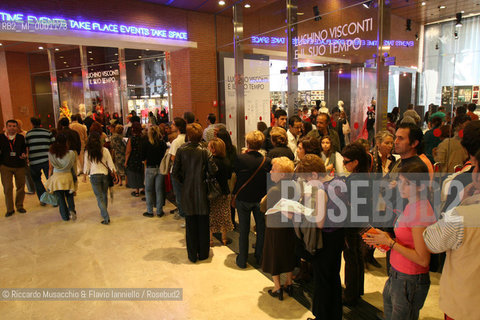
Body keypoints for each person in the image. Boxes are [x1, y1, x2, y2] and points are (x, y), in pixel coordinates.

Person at [364, 163, 436, 320]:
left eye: (407, 183)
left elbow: (423, 259)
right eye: (401, 181)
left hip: (409, 278)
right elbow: (407, 237)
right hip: (398, 274)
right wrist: (385, 238)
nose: (401, 186)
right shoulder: (412, 205)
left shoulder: (420, 212)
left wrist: (391, 243)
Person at [423, 149, 480, 320]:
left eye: (475, 167)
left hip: (465, 305)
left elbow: (431, 241)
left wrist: (460, 204)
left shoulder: (463, 216)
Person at [172, 123, 217, 262]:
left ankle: (192, 255)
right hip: (203, 191)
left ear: (188, 135)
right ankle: (203, 253)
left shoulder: (181, 150)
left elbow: (175, 172)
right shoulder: (205, 151)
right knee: (203, 224)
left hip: (187, 191)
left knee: (190, 225)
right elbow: (213, 170)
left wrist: (184, 182)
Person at [233, 130, 272, 268]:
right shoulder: (267, 161)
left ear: (247, 143)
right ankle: (260, 258)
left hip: (243, 198)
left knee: (243, 230)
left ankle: (242, 260)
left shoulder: (240, 158)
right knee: (261, 229)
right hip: (260, 199)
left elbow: (236, 173)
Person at [261, 157, 297, 301]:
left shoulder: (275, 189)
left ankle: (277, 287)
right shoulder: (293, 186)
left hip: (274, 227)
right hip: (289, 227)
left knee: (274, 256)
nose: (270, 171)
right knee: (288, 253)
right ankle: (289, 282)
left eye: (274, 169)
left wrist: (264, 200)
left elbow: (263, 207)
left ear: (282, 174)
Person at [341, 142, 371, 306]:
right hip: (360, 222)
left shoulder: (355, 179)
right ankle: (357, 290)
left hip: (352, 223)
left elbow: (350, 203)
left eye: (346, 162)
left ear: (356, 162)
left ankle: (351, 294)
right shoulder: (365, 174)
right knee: (357, 256)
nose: (344, 165)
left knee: (351, 258)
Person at [83, 132, 116, 225]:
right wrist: (114, 172)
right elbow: (110, 163)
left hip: (94, 175)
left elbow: (87, 165)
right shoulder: (105, 150)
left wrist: (84, 176)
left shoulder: (88, 152)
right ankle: (104, 211)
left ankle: (105, 216)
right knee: (104, 194)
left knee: (99, 197)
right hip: (104, 175)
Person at [207, 138, 234, 245]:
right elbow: (228, 176)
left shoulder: (211, 161)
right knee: (224, 215)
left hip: (212, 192)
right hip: (224, 191)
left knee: (211, 216)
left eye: (209, 147)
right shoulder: (227, 161)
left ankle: (210, 240)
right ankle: (224, 238)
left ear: (213, 149)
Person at [47, 133, 77, 221]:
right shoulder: (71, 153)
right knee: (69, 196)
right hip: (68, 176)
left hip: (57, 177)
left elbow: (50, 167)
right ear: (66, 142)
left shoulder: (51, 153)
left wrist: (49, 178)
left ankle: (64, 216)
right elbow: (72, 166)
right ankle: (72, 210)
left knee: (60, 198)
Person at [25, 117, 55, 206]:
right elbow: (53, 145)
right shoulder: (47, 132)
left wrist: (27, 158)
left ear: (32, 123)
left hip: (34, 161)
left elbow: (26, 147)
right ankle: (54, 199)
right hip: (47, 160)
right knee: (50, 179)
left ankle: (43, 200)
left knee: (37, 181)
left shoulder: (28, 134)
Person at [0, 120, 27, 216]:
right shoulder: (1, 137)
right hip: (5, 166)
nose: (12, 128)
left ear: (17, 127)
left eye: (14, 126)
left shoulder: (20, 137)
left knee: (21, 186)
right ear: (6, 127)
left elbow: (24, 148)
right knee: (8, 188)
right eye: (10, 126)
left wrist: (24, 154)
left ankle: (19, 205)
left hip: (19, 165)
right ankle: (10, 209)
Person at [142, 126, 167, 218]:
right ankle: (159, 211)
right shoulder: (162, 143)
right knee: (159, 190)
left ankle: (150, 211)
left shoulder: (146, 143)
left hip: (150, 168)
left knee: (148, 190)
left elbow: (142, 157)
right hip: (160, 168)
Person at [169, 117, 187, 222]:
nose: (171, 126)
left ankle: (183, 215)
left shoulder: (176, 141)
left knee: (179, 195)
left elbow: (173, 158)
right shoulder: (187, 139)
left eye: (173, 124)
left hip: (177, 172)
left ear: (178, 127)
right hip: (187, 171)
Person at [125, 122, 144, 197]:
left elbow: (128, 151)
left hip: (134, 158)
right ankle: (144, 189)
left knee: (135, 174)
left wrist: (126, 161)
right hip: (142, 158)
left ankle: (137, 191)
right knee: (142, 174)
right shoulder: (144, 137)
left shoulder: (131, 139)